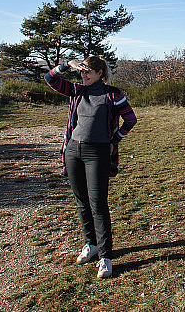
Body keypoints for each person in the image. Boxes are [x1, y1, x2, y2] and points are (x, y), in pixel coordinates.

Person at [45, 56, 137, 279]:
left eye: (88, 72)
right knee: (81, 201)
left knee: (98, 204)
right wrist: (67, 65)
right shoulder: (77, 91)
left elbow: (130, 119)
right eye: (82, 72)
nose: (83, 76)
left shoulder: (113, 94)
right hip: (73, 151)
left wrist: (114, 139)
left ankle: (105, 257)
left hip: (98, 153)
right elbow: (50, 78)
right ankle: (91, 245)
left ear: (99, 73)